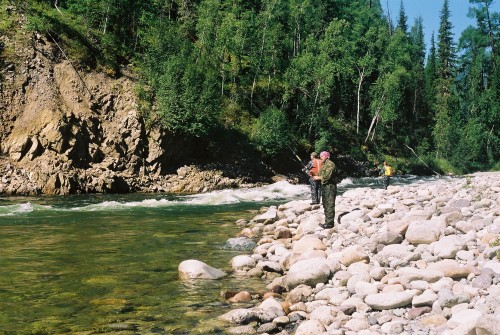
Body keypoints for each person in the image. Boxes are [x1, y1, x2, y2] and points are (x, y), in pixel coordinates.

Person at [313, 151, 337, 229]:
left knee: (329, 204)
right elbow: (320, 174)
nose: (320, 157)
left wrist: (318, 178)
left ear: (326, 156)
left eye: (322, 156)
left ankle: (330, 224)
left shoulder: (330, 164)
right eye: (320, 156)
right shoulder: (324, 165)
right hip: (324, 187)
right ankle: (327, 222)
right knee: (325, 204)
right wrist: (313, 174)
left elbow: (327, 177)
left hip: (330, 187)